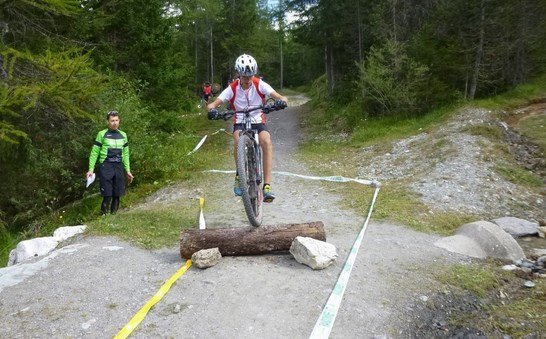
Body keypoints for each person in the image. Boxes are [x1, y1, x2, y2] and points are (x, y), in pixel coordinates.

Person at [207, 54, 288, 202]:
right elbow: (214, 103)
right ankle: (239, 176)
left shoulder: (259, 84)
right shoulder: (232, 88)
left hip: (258, 119)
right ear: (239, 74)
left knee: (266, 142)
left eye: (250, 76)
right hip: (240, 120)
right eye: (245, 76)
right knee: (238, 138)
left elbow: (279, 96)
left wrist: (282, 101)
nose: (248, 79)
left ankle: (267, 186)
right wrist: (211, 109)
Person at [86, 110, 134, 215]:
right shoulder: (102, 134)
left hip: (118, 166)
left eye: (117, 120)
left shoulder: (123, 135)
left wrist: (128, 171)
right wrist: (91, 169)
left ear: (119, 121)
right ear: (108, 122)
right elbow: (94, 153)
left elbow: (126, 154)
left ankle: (113, 217)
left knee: (117, 194)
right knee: (107, 194)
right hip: (106, 165)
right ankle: (104, 216)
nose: (115, 123)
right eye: (112, 121)